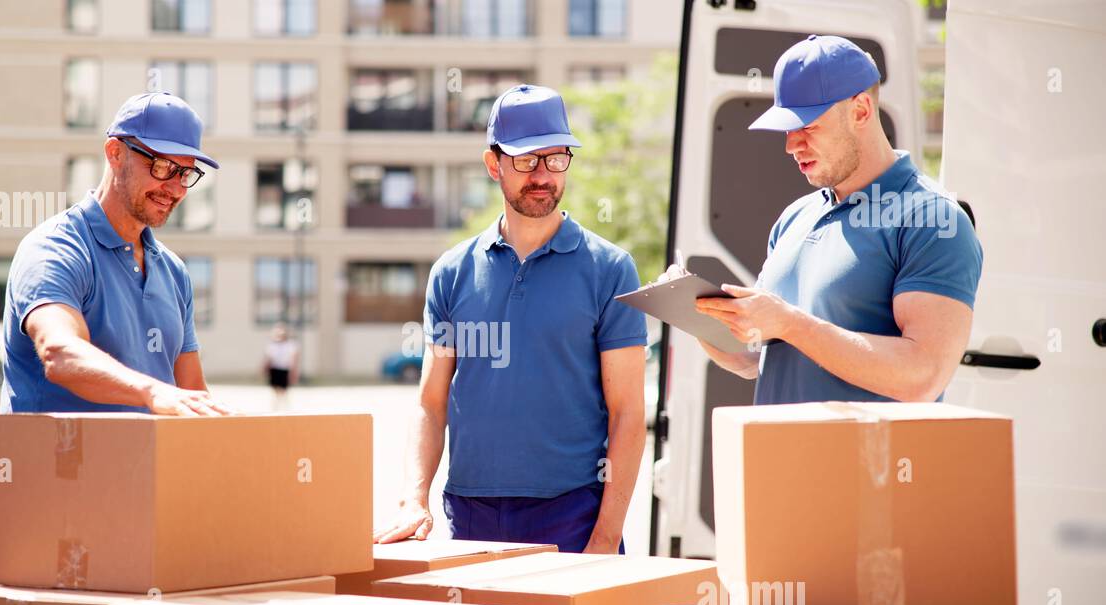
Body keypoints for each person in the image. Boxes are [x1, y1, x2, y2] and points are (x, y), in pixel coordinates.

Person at [374, 84, 648, 554]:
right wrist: (413, 499)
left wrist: (605, 537)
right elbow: (431, 404)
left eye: (555, 158)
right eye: (526, 160)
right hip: (470, 513)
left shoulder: (611, 270)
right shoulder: (451, 273)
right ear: (493, 164)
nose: (542, 175)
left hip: (573, 515)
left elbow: (628, 414)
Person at [661, 35, 981, 404]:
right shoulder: (795, 217)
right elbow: (753, 359)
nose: (791, 145)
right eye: (788, 129)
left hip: (870, 446)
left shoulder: (934, 220)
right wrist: (695, 314)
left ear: (860, 110)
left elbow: (923, 375)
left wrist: (789, 323)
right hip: (778, 442)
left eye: (807, 126)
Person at [0, 92, 233, 416]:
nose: (176, 189)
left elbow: (192, 393)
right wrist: (152, 392)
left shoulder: (173, 271)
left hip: (149, 453)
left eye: (185, 173)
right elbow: (59, 353)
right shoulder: (55, 248)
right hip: (60, 450)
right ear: (115, 153)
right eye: (162, 166)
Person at [263, 323, 299, 410]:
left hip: (285, 369)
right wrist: (264, 368)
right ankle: (276, 406)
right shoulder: (272, 345)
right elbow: (269, 358)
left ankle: (285, 407)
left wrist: (294, 371)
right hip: (275, 368)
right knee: (275, 389)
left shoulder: (291, 345)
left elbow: (294, 359)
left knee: (284, 390)